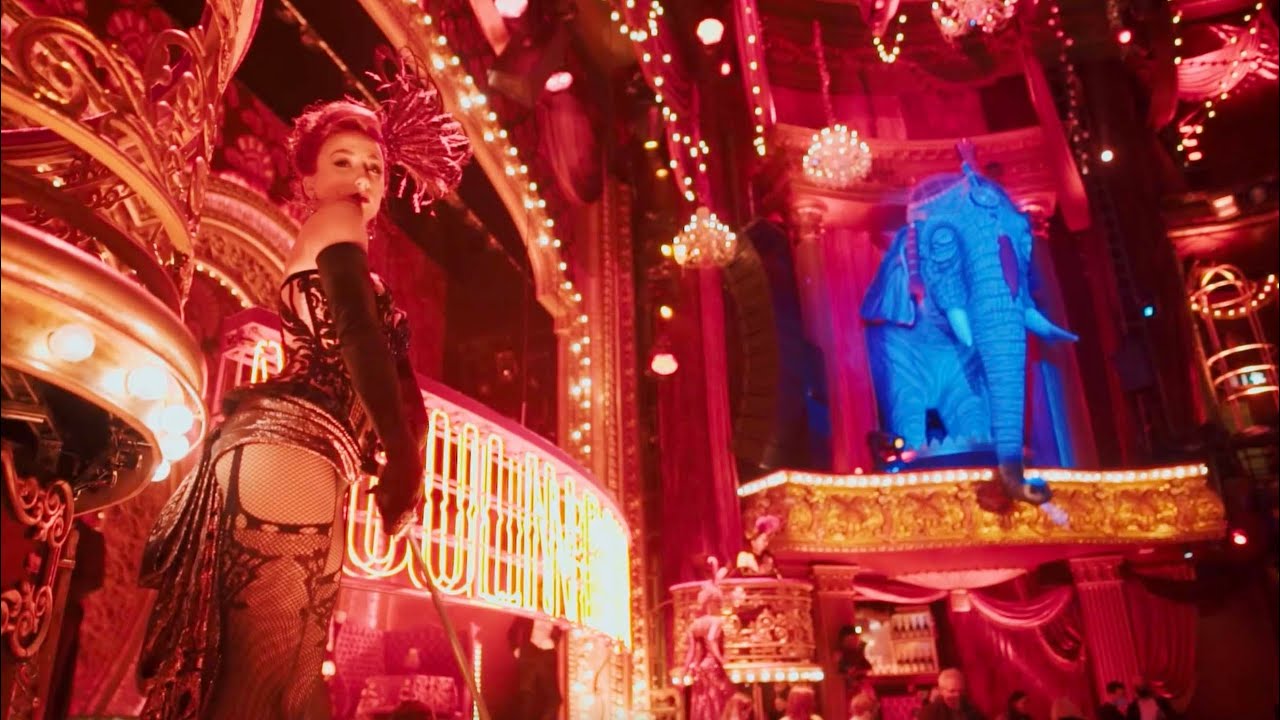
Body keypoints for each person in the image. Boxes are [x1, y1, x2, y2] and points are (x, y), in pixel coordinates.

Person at [135, 50, 472, 719]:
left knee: (292, 686)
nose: (361, 177)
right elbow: (354, 328)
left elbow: (379, 365)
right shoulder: (333, 223)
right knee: (262, 684)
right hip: (291, 441)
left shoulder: (353, 255)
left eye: (374, 167)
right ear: (311, 179)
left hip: (311, 456)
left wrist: (398, 457)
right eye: (343, 161)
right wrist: (403, 457)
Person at [685, 557, 735, 720]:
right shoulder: (716, 621)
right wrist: (722, 659)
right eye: (718, 604)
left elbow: (691, 652)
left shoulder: (695, 624)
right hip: (713, 668)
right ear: (712, 603)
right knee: (716, 703)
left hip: (699, 670)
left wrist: (685, 670)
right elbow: (712, 640)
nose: (719, 607)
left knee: (701, 703)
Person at [508, 616, 563, 720]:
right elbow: (512, 630)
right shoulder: (528, 611)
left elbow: (562, 629)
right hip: (530, 652)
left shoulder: (556, 610)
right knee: (527, 697)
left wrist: (553, 641)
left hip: (546, 654)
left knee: (553, 699)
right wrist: (515, 649)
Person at [919, 669, 985, 720]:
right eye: (952, 691)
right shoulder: (929, 713)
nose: (958, 695)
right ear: (941, 691)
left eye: (961, 691)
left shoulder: (970, 708)